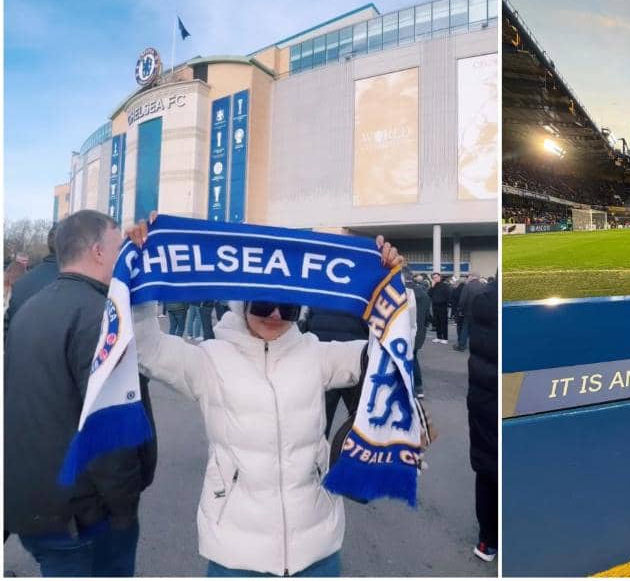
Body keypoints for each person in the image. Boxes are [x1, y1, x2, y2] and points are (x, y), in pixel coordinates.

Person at [124, 212, 402, 577]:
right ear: (241, 304)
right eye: (261, 304)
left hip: (316, 549)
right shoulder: (210, 360)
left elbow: (388, 352)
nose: (273, 314)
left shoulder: (314, 353)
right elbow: (145, 348)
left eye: (286, 306)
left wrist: (392, 283)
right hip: (237, 554)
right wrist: (140, 271)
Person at [4, 209, 157, 577]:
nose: (124, 253)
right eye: (118, 245)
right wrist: (122, 508)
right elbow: (110, 427)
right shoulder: (99, 317)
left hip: (35, 505)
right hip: (84, 515)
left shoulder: (31, 306)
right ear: (98, 252)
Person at [467, 275, 497, 562]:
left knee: (487, 469)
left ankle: (488, 540)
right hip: (496, 395)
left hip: (481, 397)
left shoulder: (480, 300)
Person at [302, 307, 370, 437]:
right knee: (360, 419)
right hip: (354, 358)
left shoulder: (319, 290)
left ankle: (317, 453)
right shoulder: (359, 293)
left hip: (322, 357)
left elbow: (307, 321)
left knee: (321, 421)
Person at [4, 224, 60, 338]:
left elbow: (8, 331)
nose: (24, 263)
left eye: (26, 260)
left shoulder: (22, 282)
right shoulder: (77, 285)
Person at [404, 267, 430, 398]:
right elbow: (427, 316)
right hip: (419, 332)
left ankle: (412, 387)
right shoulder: (424, 292)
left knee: (407, 359)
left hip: (405, 331)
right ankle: (418, 388)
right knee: (413, 357)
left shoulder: (402, 292)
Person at [454, 273, 485, 352]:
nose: (468, 278)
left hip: (469, 312)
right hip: (480, 312)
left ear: (472, 277)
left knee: (465, 329)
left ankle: (462, 346)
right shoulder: (483, 286)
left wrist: (460, 310)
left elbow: (463, 300)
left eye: (469, 277)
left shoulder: (467, 286)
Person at [429, 272, 451, 343]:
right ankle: (438, 337)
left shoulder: (445, 286)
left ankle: (445, 338)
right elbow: (429, 295)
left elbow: (448, 296)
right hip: (435, 306)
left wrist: (446, 304)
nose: (435, 279)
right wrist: (432, 287)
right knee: (437, 322)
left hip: (443, 307)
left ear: (440, 277)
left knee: (443, 323)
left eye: (436, 277)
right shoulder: (433, 286)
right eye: (434, 278)